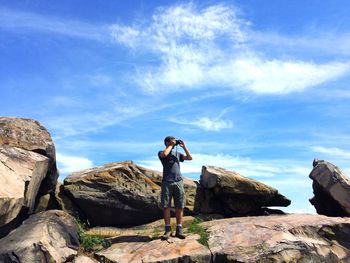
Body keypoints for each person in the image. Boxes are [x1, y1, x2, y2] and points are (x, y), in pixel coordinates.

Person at [158, 136, 192, 240]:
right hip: (167, 182)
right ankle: (168, 229)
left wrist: (184, 146)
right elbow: (165, 154)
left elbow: (190, 158)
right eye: (172, 140)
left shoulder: (177, 154)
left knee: (179, 205)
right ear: (167, 142)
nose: (174, 142)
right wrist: (171, 145)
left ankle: (179, 229)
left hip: (178, 181)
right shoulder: (161, 152)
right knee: (166, 206)